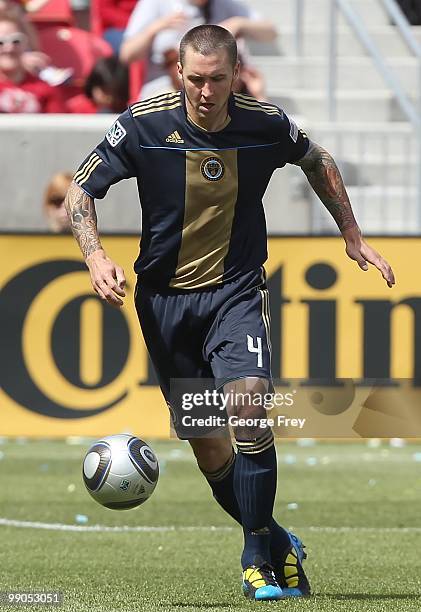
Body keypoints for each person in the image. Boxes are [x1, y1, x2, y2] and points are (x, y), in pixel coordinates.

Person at [64, 25, 395, 601]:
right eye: (195, 78)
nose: (206, 91)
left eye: (217, 79)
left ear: (235, 74)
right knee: (211, 447)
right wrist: (94, 256)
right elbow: (80, 190)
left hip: (236, 294)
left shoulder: (265, 124)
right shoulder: (143, 125)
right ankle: (273, 540)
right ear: (179, 74)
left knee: (248, 408)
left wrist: (352, 234)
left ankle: (254, 563)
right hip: (163, 303)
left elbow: (317, 159)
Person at [119, 0, 276, 99]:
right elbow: (127, 54)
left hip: (219, 90)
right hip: (166, 89)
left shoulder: (224, 5)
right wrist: (155, 28)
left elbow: (271, 33)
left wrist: (238, 23)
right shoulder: (156, 3)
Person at [0, 16, 65, 112]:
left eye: (16, 41)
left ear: (26, 44)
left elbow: (59, 124)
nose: (9, 48)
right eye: (0, 42)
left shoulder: (45, 89)